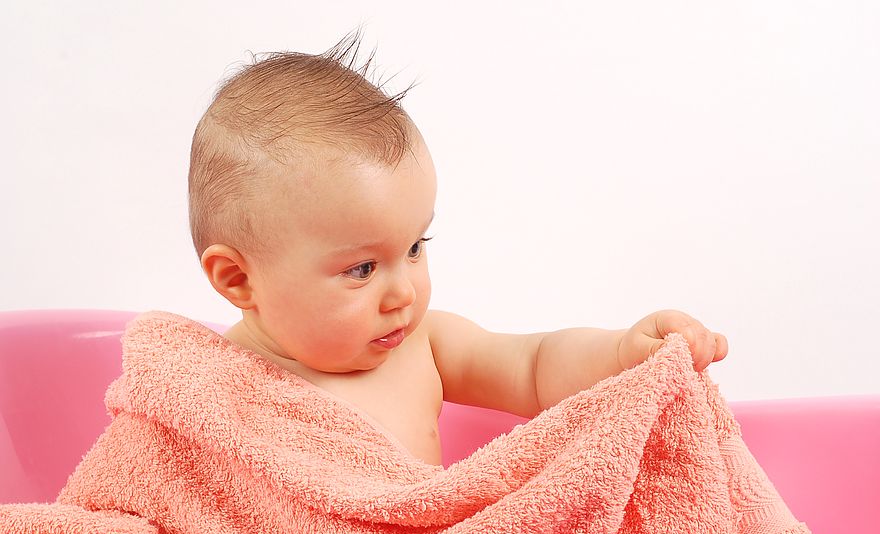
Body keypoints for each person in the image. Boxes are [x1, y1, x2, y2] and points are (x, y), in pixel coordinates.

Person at [190, 31, 728, 467]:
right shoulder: (210, 399)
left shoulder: (424, 345)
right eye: (362, 268)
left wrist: (621, 354)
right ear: (238, 280)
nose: (402, 292)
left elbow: (532, 366)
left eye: (416, 247)